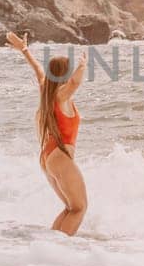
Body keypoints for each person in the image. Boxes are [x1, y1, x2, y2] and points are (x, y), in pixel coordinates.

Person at [6, 31, 89, 235]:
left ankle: (50, 248)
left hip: (47, 158)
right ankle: (60, 252)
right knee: (79, 208)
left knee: (71, 208)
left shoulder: (47, 92)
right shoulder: (61, 95)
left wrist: (24, 50)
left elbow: (38, 70)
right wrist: (83, 65)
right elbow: (75, 83)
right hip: (59, 157)